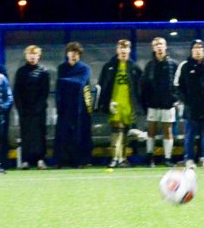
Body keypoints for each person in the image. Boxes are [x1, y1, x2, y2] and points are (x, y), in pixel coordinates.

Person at [175, 39, 204, 168]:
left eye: (200, 48)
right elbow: (177, 86)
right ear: (191, 50)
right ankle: (189, 159)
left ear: (203, 50)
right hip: (191, 108)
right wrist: (186, 101)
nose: (197, 50)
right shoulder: (184, 66)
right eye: (195, 48)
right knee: (190, 135)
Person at [97, 39, 143, 168]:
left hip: (128, 104)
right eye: (121, 48)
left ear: (129, 50)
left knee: (125, 131)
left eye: (126, 48)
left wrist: (137, 106)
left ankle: (122, 158)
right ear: (117, 50)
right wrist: (105, 103)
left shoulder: (134, 67)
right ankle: (114, 158)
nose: (123, 50)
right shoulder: (109, 66)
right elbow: (102, 85)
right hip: (115, 103)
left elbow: (140, 88)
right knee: (116, 129)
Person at [141, 37, 180, 167]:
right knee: (151, 129)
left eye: (161, 44)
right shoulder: (150, 65)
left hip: (168, 103)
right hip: (153, 103)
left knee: (167, 131)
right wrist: (146, 101)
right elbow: (144, 84)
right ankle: (150, 156)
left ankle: (167, 158)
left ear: (166, 46)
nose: (159, 47)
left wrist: (175, 99)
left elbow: (179, 83)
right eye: (156, 44)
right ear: (153, 48)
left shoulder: (173, 64)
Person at [54, 42, 93, 168]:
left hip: (80, 106)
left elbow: (80, 83)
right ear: (67, 53)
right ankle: (61, 161)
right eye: (71, 52)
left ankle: (80, 161)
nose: (73, 55)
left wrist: (63, 81)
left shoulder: (84, 68)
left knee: (79, 134)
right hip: (65, 106)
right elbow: (60, 88)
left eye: (76, 53)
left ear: (79, 54)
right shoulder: (62, 68)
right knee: (63, 134)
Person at [13, 45, 51, 169]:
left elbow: (45, 92)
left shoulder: (43, 71)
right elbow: (17, 92)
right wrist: (20, 108)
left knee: (40, 135)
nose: (32, 56)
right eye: (30, 54)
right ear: (26, 56)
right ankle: (26, 160)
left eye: (35, 54)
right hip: (25, 110)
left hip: (39, 110)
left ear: (39, 56)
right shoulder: (21, 71)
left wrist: (38, 107)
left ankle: (41, 160)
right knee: (26, 135)